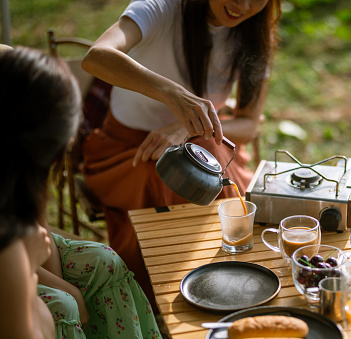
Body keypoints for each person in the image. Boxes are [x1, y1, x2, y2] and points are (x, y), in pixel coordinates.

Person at [81, 0, 283, 309]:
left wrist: (187, 127)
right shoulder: (161, 8)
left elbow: (248, 123)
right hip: (127, 153)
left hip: (204, 148)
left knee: (207, 158)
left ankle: (228, 285)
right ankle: (166, 296)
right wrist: (171, 94)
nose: (242, 4)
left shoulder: (255, 33)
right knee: (164, 172)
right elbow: (96, 57)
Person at [0, 47, 162, 339]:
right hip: (13, 266)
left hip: (21, 250)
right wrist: (30, 269)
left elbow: (36, 226)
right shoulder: (9, 248)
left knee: (105, 262)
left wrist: (61, 281)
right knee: (63, 308)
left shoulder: (19, 169)